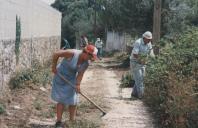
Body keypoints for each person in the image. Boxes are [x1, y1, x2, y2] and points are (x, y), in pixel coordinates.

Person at [51, 44, 98, 128]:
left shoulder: (86, 63)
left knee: (73, 99)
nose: (91, 59)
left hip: (71, 78)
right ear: (86, 53)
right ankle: (58, 122)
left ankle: (72, 121)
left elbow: (80, 74)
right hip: (60, 75)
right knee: (61, 99)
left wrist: (78, 85)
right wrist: (54, 67)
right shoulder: (72, 53)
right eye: (90, 57)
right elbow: (56, 54)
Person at [130, 31, 154, 99]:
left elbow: (151, 52)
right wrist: (142, 60)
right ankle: (141, 96)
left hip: (143, 63)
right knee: (140, 79)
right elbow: (135, 54)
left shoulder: (149, 43)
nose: (149, 40)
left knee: (141, 79)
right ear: (144, 38)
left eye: (150, 39)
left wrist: (154, 59)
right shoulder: (138, 42)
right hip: (135, 62)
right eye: (148, 39)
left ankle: (134, 94)